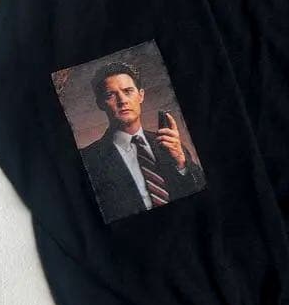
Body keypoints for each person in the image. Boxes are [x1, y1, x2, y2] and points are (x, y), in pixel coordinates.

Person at [79, 60, 205, 223]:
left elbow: (202, 193)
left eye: (128, 91)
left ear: (141, 95)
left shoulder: (172, 144)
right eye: (111, 95)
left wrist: (182, 163)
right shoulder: (88, 159)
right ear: (100, 104)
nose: (122, 100)